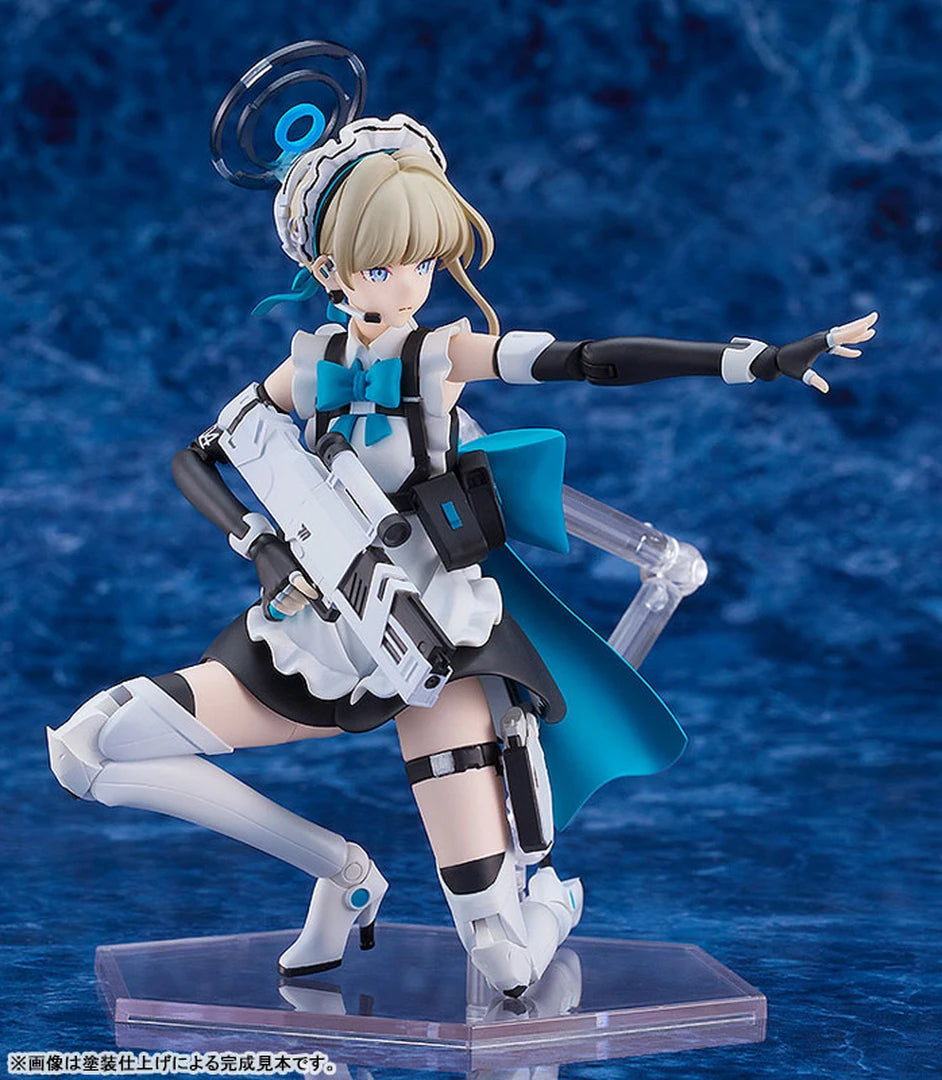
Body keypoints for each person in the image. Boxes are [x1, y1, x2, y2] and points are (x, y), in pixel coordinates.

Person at [45, 43, 877, 999]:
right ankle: (343, 875)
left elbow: (587, 360)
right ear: (329, 269)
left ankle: (548, 900)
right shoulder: (307, 370)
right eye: (382, 262)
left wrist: (750, 360)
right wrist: (261, 545)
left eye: (421, 260)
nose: (407, 282)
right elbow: (199, 457)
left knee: (503, 959)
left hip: (437, 640)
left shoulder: (442, 356)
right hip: (319, 627)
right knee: (90, 747)